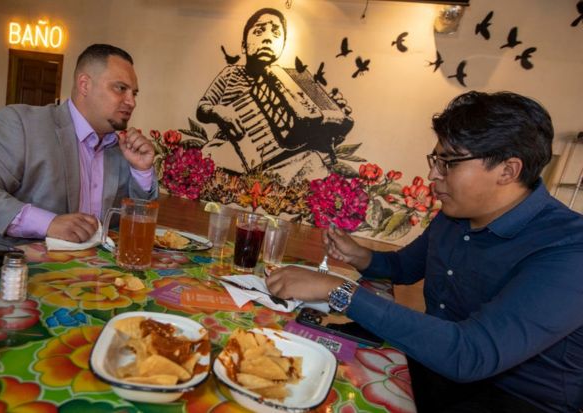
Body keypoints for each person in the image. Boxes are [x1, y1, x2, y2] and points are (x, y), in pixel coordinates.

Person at [267, 91, 583, 412]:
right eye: (436, 160)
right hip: (433, 363)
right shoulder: (453, 216)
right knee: (293, 350)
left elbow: (470, 355)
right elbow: (403, 267)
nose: (433, 175)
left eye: (448, 162)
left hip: (515, 398)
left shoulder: (570, 250)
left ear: (507, 170)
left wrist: (339, 291)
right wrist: (358, 254)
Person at [0, 44, 157, 245]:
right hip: (16, 268)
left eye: (134, 93)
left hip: (93, 274)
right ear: (85, 84)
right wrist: (48, 223)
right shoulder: (21, 124)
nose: (131, 101)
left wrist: (142, 171)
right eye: (121, 88)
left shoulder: (123, 148)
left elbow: (136, 224)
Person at [197, 7, 352, 177]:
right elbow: (203, 107)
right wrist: (217, 111)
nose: (267, 39)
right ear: (243, 46)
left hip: (277, 160)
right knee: (208, 156)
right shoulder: (231, 74)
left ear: (283, 46)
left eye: (276, 34)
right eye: (259, 31)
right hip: (230, 147)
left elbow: (310, 135)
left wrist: (333, 114)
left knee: (314, 163)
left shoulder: (296, 84)